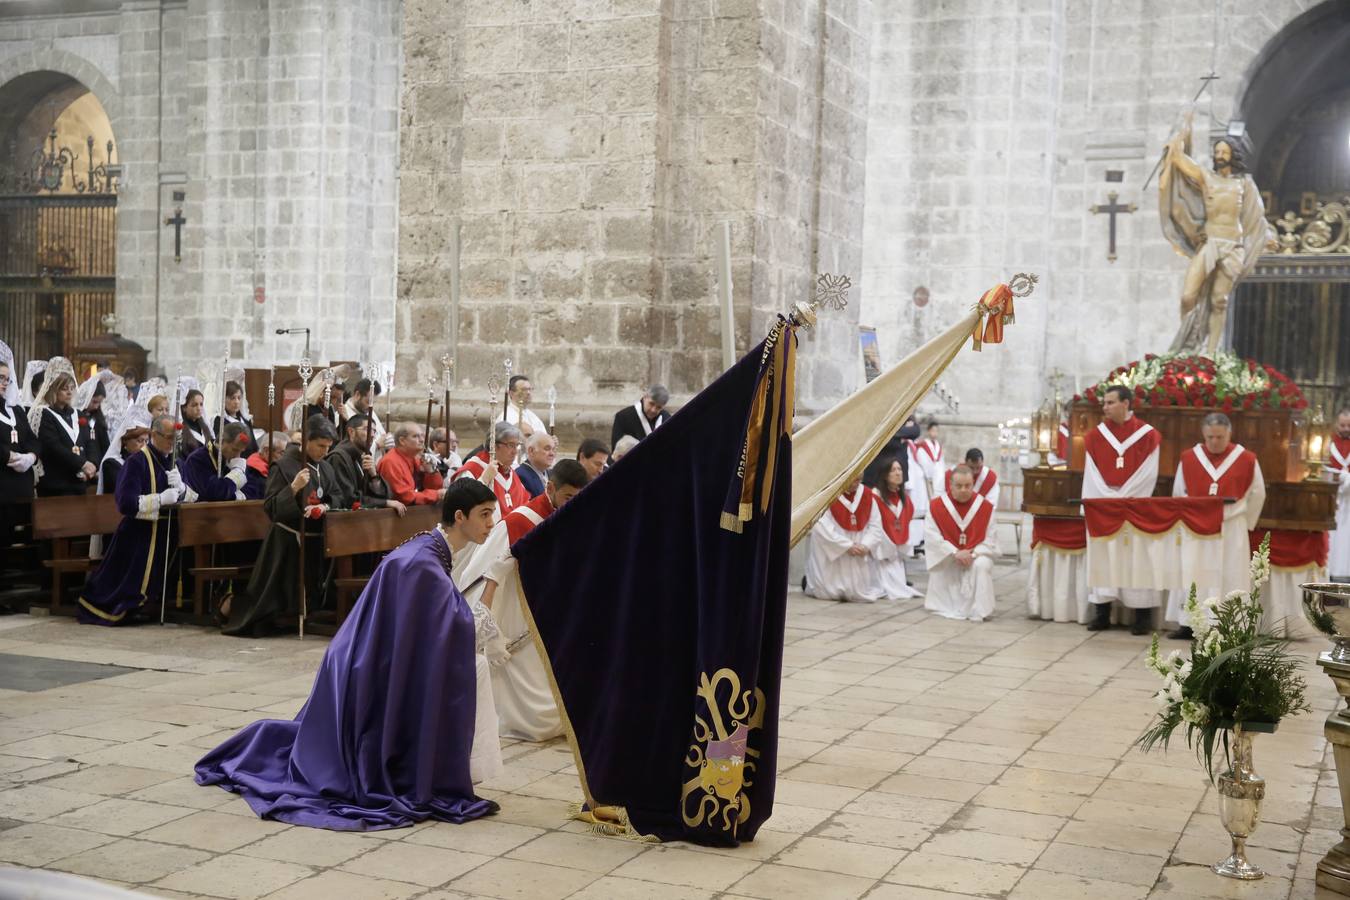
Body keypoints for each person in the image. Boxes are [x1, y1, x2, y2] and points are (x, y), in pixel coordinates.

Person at [195, 479, 504, 830]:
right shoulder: (425, 563)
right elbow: (463, 630)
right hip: (363, 669)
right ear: (460, 517)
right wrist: (493, 583)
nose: (491, 523)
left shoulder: (429, 550)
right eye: (485, 514)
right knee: (471, 669)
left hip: (358, 659)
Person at [473, 460, 590, 741]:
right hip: (515, 611)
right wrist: (490, 631)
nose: (573, 504)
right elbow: (480, 572)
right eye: (568, 497)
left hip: (553, 611)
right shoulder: (519, 522)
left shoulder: (575, 518)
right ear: (550, 488)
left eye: (578, 497)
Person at [223, 415, 348, 636]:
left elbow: (338, 495)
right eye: (321, 446)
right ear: (306, 440)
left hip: (315, 539)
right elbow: (271, 507)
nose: (325, 452)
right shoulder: (283, 466)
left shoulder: (326, 468)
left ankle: (303, 613)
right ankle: (228, 606)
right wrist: (293, 488)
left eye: (328, 447)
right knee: (265, 604)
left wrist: (325, 506)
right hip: (286, 540)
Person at [77, 414, 195, 625]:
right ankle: (130, 605)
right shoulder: (136, 462)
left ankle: (153, 604)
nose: (172, 443)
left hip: (168, 530)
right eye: (168, 437)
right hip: (139, 533)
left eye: (175, 438)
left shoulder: (177, 463)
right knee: (130, 580)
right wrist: (160, 499)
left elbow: (194, 497)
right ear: (154, 435)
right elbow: (125, 503)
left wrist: (182, 488)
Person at [1165, 413, 1266, 640]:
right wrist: (1186, 517)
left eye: (1220, 437)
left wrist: (1246, 523)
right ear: (1203, 434)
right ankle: (1189, 623)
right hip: (1196, 525)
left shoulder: (1246, 458)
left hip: (1231, 527)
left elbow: (1258, 493)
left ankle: (1229, 624)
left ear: (1229, 434)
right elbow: (1179, 491)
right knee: (1194, 572)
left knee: (1229, 573)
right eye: (1210, 437)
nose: (1215, 442)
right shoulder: (1189, 458)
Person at [1083, 384, 1163, 634]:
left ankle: (1142, 617)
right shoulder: (1096, 436)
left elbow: (1148, 472)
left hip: (1134, 506)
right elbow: (1091, 473)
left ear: (1126, 403)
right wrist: (1108, 498)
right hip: (1104, 505)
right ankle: (1102, 613)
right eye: (1104, 403)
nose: (1105, 407)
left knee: (1137, 559)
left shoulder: (1147, 435)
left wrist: (1124, 499)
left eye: (1110, 402)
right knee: (1103, 558)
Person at [923, 465, 998, 622]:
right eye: (959, 486)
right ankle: (946, 605)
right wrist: (954, 552)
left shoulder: (985, 508)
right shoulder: (936, 506)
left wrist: (973, 554)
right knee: (943, 560)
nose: (964, 490)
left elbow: (990, 539)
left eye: (968, 485)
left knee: (982, 564)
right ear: (950, 485)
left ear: (973, 484)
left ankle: (979, 609)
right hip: (948, 556)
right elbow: (932, 536)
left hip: (975, 556)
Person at [803, 476, 893, 602]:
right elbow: (821, 525)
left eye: (859, 480)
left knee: (859, 590)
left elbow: (876, 526)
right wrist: (847, 546)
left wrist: (866, 545)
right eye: (853, 479)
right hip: (835, 552)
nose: (856, 483)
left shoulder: (867, 495)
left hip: (859, 551)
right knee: (829, 591)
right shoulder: (828, 494)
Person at [32, 365, 97, 497]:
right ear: (54, 390)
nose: (69, 392)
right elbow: (54, 446)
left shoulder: (78, 414)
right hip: (56, 483)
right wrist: (82, 463)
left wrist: (92, 464)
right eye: (64, 389)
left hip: (80, 482)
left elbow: (90, 442)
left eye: (72, 388)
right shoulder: (44, 414)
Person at [327, 414, 406, 515]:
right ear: (351, 432)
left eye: (374, 431)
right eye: (367, 429)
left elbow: (385, 495)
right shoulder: (338, 457)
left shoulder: (364, 456)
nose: (372, 435)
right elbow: (348, 499)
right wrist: (385, 503)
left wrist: (374, 475)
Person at [0, 350, 40, 550]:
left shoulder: (16, 409)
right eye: (1, 378)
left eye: (7, 379)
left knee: (24, 544)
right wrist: (9, 456)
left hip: (22, 486)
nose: (5, 383)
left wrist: (30, 457)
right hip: (2, 484)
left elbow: (32, 439)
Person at [453, 422, 529, 518]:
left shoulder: (512, 474)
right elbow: (459, 504)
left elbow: (525, 506)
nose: (515, 451)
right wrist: (483, 480)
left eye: (517, 445)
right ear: (494, 445)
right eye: (510, 445)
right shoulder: (473, 469)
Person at [870, 456, 920, 600]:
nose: (898, 473)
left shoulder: (904, 498)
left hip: (896, 552)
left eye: (899, 469)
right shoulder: (876, 496)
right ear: (885, 475)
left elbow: (907, 518)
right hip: (881, 552)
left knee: (899, 586)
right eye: (893, 470)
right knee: (886, 587)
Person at [180, 421, 252, 501]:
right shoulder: (197, 459)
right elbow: (214, 493)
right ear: (222, 441)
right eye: (234, 450)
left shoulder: (234, 460)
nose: (237, 456)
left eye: (241, 451)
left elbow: (251, 491)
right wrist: (236, 475)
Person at [376, 423, 446, 506]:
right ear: (402, 441)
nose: (422, 440)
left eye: (422, 436)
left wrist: (431, 472)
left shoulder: (415, 458)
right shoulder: (390, 461)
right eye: (416, 436)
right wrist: (436, 495)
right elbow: (404, 497)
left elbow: (435, 488)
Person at [342, 378, 392, 458]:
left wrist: (388, 441)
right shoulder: (342, 414)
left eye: (373, 403)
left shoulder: (368, 411)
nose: (370, 406)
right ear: (357, 395)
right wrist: (376, 445)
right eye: (368, 402)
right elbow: (347, 446)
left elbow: (381, 434)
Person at [1328, 409, 1350, 583]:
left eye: (1349, 425)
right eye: (1343, 425)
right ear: (1336, 424)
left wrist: (1346, 479)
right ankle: (1330, 568)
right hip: (1332, 496)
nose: (1346, 429)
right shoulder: (1328, 444)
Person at [213, 381, 259, 459]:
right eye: (232, 398)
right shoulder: (219, 421)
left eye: (239, 398)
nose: (236, 402)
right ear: (223, 399)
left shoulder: (246, 421)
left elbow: (254, 447)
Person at [243, 432, 289, 500]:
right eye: (282, 453)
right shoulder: (254, 472)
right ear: (267, 451)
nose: (287, 458)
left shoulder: (276, 467)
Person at [498, 374, 547, 439]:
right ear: (511, 393)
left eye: (530, 389)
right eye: (524, 389)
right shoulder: (506, 417)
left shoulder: (533, 417)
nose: (528, 392)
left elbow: (543, 437)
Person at [515, 431, 554, 498]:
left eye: (553, 449)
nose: (552, 454)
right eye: (547, 449)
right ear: (531, 451)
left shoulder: (552, 474)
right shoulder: (521, 475)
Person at [913, 419, 944, 499]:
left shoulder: (938, 445)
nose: (935, 433)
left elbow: (941, 462)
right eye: (933, 431)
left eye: (937, 431)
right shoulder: (923, 446)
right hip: (927, 476)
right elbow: (922, 460)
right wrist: (928, 474)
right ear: (928, 431)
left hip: (937, 476)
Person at [179, 387, 214, 455]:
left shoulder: (205, 427)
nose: (199, 408)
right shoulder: (181, 430)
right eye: (194, 405)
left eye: (201, 404)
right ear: (184, 408)